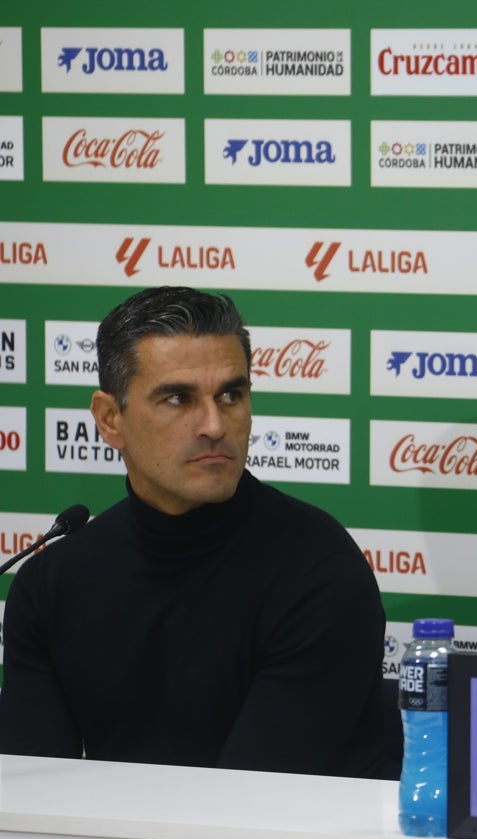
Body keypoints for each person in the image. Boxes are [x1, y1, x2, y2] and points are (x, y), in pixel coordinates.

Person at [0, 286, 387, 779]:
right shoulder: (51, 583)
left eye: (231, 394)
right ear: (109, 418)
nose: (214, 425)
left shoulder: (320, 573)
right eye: (178, 398)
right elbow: (33, 799)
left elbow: (246, 810)